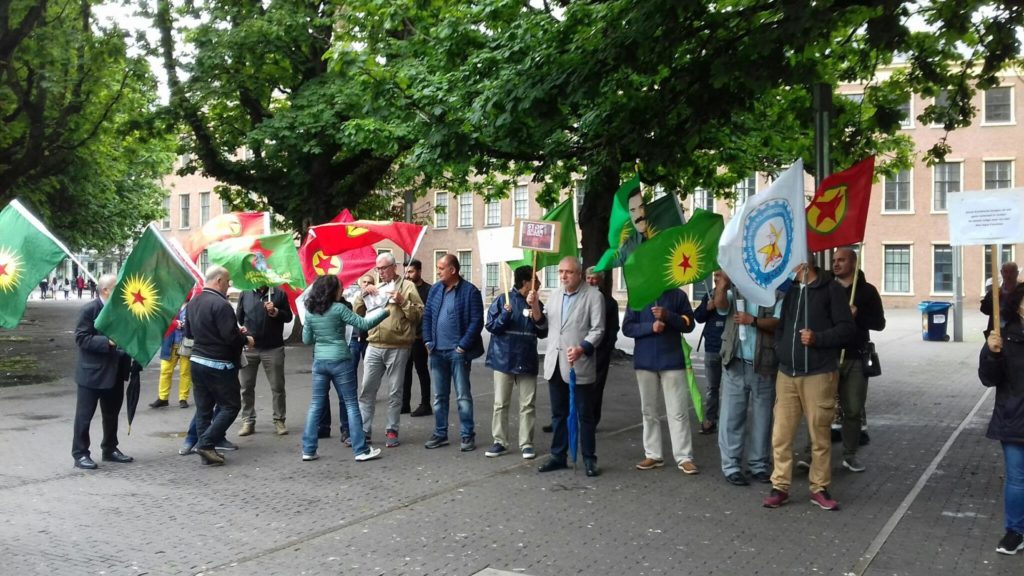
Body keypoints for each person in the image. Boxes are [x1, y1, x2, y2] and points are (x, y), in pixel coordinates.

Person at [763, 263, 854, 510]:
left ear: (804, 263)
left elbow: (847, 329)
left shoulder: (832, 290)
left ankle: (819, 487)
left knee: (819, 433)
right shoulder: (791, 291)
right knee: (781, 433)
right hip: (787, 373)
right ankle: (780, 485)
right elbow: (782, 325)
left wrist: (818, 339)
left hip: (819, 373)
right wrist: (782, 350)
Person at [302, 274, 391, 462]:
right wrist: (385, 311)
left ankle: (308, 449)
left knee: (315, 405)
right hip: (341, 360)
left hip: (320, 361)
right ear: (332, 291)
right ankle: (361, 450)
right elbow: (364, 324)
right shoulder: (339, 309)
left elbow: (307, 340)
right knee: (351, 403)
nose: (342, 291)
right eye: (339, 288)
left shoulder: (309, 311)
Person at [537, 257, 605, 477]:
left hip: (578, 363)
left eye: (568, 272)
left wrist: (582, 348)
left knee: (584, 414)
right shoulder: (555, 295)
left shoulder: (594, 296)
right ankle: (558, 455)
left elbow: (598, 330)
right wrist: (533, 306)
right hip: (555, 363)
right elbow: (544, 325)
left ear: (579, 274)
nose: (563, 276)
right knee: (559, 414)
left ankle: (589, 458)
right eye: (561, 272)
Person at [713, 271, 781, 486]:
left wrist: (753, 321)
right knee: (732, 417)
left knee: (763, 419)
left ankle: (758, 465)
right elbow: (721, 307)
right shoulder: (736, 290)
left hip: (764, 364)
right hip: (736, 362)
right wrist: (722, 286)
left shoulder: (775, 293)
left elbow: (778, 322)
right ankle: (731, 466)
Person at [622, 287, 698, 475]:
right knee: (648, 411)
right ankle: (653, 454)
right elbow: (627, 327)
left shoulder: (678, 295)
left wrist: (668, 316)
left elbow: (689, 324)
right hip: (645, 361)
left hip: (672, 360)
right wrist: (650, 327)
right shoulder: (638, 294)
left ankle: (684, 457)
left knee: (678, 411)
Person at [354, 252, 424, 448]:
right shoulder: (374, 287)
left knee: (395, 391)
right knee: (367, 389)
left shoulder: (407, 286)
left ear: (394, 267)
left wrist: (403, 301)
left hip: (398, 346)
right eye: (378, 268)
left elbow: (419, 314)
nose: (380, 272)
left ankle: (392, 429)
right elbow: (357, 313)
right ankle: (364, 430)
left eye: (383, 268)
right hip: (374, 344)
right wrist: (362, 295)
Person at [187, 266, 252, 466]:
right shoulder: (221, 305)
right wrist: (245, 338)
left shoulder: (194, 302)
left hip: (197, 360)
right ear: (218, 281)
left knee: (204, 408)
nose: (229, 285)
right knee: (231, 406)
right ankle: (206, 444)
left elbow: (189, 334)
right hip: (219, 364)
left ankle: (207, 450)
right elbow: (230, 337)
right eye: (227, 281)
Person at [422, 254, 484, 452]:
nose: (438, 271)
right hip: (436, 351)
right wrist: (428, 340)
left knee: (463, 396)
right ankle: (440, 434)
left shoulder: (470, 291)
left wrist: (463, 346)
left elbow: (476, 321)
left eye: (441, 268)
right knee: (439, 396)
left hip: (458, 353)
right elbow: (427, 316)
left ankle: (467, 435)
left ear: (453, 270)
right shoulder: (435, 290)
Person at [978, 285, 1024, 555]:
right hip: (1014, 417)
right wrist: (993, 353)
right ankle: (1015, 531)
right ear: (1018, 306)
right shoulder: (1003, 337)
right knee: (1018, 479)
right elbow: (988, 378)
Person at [831, 247, 886, 473]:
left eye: (841, 260)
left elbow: (880, 323)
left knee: (853, 409)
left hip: (856, 357)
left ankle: (850, 454)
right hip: (829, 356)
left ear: (853, 263)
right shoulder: (828, 289)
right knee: (821, 408)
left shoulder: (867, 292)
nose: (836, 264)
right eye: (834, 260)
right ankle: (811, 453)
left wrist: (858, 315)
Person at [484, 265, 547, 459]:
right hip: (504, 358)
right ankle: (499, 441)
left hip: (527, 359)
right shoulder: (502, 300)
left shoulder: (536, 302)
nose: (539, 282)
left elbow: (543, 330)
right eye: (535, 279)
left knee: (528, 404)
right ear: (525, 282)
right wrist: (505, 314)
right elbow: (491, 327)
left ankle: (526, 443)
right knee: (501, 403)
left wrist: (535, 307)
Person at [70, 274, 133, 470]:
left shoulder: (122, 310)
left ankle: (110, 448)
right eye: (117, 287)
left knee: (112, 414)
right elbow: (81, 338)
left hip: (115, 372)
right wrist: (108, 342)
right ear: (106, 290)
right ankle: (80, 454)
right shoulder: (90, 309)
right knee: (84, 416)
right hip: (92, 374)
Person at [236, 284, 293, 436]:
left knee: (277, 386)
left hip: (273, 348)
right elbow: (239, 319)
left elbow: (288, 317)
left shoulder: (279, 293)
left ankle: (279, 420)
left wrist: (275, 311)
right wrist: (243, 334)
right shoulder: (245, 292)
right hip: (250, 348)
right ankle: (248, 421)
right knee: (246, 386)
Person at [585, 266, 619, 427]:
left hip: (600, 351)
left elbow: (613, 328)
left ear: (600, 280)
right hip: (579, 349)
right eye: (588, 278)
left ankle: (592, 420)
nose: (591, 281)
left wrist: (607, 348)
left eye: (594, 278)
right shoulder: (578, 298)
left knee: (596, 387)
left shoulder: (610, 302)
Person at [692, 275, 726, 435]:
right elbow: (697, 317)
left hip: (729, 349)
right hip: (712, 348)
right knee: (712, 387)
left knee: (730, 389)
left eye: (719, 275)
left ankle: (727, 422)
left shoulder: (734, 293)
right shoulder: (709, 294)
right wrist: (707, 307)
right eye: (715, 275)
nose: (715, 278)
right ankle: (710, 420)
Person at [402, 259, 433, 417]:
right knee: (405, 371)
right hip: (406, 338)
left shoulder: (429, 290)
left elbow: (428, 314)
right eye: (406, 272)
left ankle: (425, 403)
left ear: (419, 271)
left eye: (411, 271)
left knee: (421, 370)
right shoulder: (402, 289)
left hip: (420, 337)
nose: (407, 275)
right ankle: (404, 403)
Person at [150, 304, 192, 409]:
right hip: (169, 342)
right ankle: (163, 398)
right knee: (165, 370)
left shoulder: (192, 305)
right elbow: (160, 320)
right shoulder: (170, 302)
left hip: (186, 343)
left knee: (185, 372)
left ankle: (183, 398)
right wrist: (173, 323)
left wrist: (186, 324)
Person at [982, 261, 1019, 338]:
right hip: (995, 333)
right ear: (1001, 273)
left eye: (1011, 272)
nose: (1008, 275)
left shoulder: (1021, 291)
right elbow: (984, 310)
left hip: (1016, 336)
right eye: (1006, 272)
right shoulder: (995, 291)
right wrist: (992, 299)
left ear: (1017, 273)